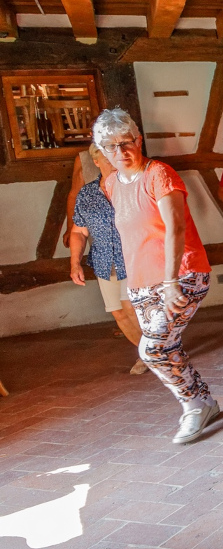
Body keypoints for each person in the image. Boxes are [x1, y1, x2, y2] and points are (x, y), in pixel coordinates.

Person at [93, 108, 219, 445]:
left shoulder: (159, 174)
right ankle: (205, 401)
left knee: (152, 349)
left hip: (181, 275)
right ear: (102, 151)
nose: (121, 151)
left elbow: (175, 228)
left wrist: (171, 281)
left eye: (126, 142)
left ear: (138, 140)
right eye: (111, 146)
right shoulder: (111, 184)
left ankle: (193, 406)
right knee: (167, 345)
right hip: (141, 280)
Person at [68, 142, 147, 376]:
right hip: (104, 260)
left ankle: (160, 351)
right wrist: (74, 263)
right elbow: (78, 231)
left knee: (130, 306)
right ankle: (147, 354)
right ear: (96, 162)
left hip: (133, 256)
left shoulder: (132, 186)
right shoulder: (87, 194)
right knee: (117, 311)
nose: (114, 163)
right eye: (107, 159)